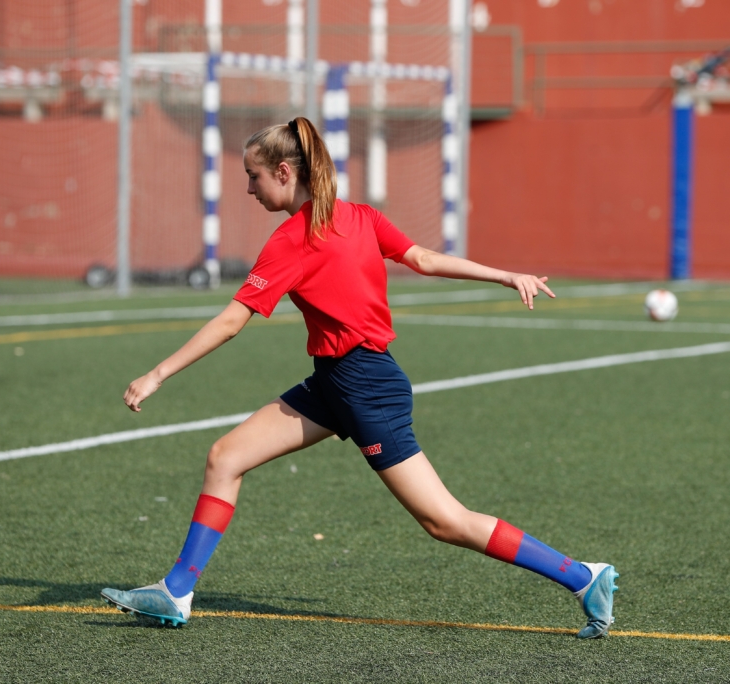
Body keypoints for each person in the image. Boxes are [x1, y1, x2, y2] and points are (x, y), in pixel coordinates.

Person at [101, 117, 618, 639]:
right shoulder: (360, 216)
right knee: (226, 457)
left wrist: (158, 373)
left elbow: (234, 321)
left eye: (254, 176)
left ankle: (582, 576)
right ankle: (177, 591)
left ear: (284, 171)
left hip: (365, 386)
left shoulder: (292, 240)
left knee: (445, 521)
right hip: (334, 381)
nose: (249, 188)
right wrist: (505, 273)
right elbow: (425, 259)